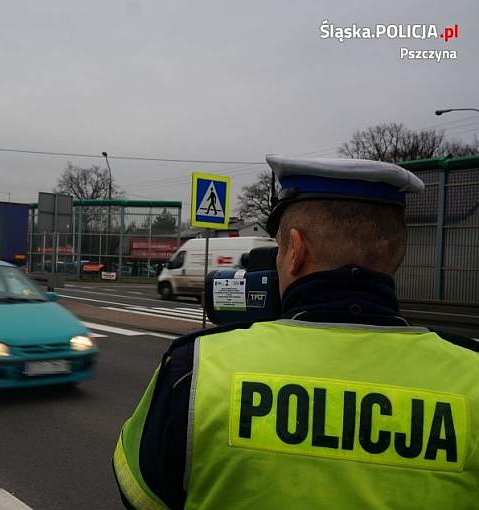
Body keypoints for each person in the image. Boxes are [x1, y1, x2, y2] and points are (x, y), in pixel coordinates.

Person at [113, 155, 479, 509]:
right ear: (397, 254)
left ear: (295, 252)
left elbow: (142, 494)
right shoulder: (471, 375)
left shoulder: (194, 369)